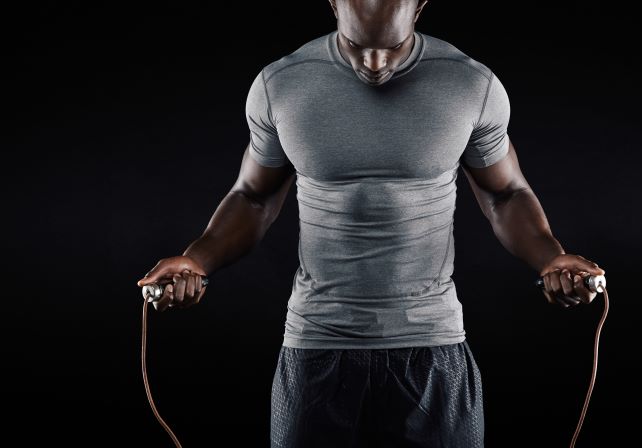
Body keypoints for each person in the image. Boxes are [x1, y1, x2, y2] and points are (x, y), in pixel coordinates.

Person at [137, 0, 606, 446]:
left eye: (392, 48)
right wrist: (195, 260)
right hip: (315, 348)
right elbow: (253, 197)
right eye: (361, 47)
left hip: (433, 347)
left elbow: (505, 193)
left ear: (419, 9)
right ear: (334, 6)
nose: (376, 64)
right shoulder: (281, 84)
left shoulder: (470, 84)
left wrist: (551, 255)